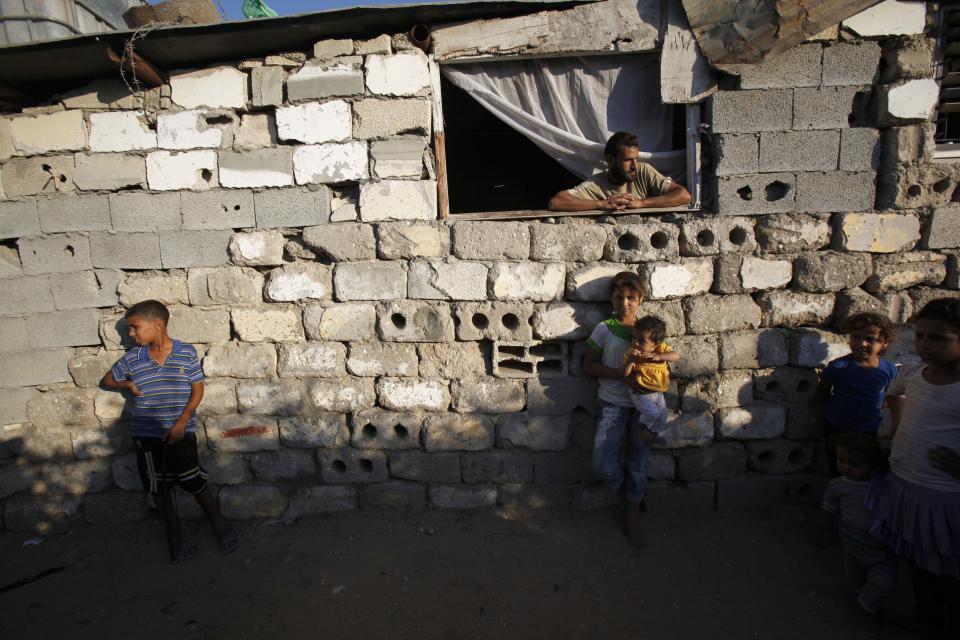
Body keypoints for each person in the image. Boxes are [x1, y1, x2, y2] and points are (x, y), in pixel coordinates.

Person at [102, 300, 239, 563]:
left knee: (194, 481)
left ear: (157, 325)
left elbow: (197, 390)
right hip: (147, 435)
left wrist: (180, 424)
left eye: (134, 328)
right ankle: (175, 535)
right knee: (160, 489)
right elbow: (107, 379)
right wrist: (127, 384)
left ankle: (219, 525)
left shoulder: (185, 353)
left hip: (181, 432)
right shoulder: (133, 358)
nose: (131, 334)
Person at [867, 298, 960, 636]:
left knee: (948, 570)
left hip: (946, 498)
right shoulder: (916, 374)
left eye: (938, 338)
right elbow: (896, 394)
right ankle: (928, 621)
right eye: (920, 336)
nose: (925, 345)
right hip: (908, 484)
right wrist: (898, 426)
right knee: (921, 564)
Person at [583, 271, 652, 550]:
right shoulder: (605, 329)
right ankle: (628, 493)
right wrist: (618, 374)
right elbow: (587, 366)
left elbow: (663, 360)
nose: (625, 303)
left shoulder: (648, 330)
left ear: (641, 299)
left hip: (643, 408)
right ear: (611, 299)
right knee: (602, 464)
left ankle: (632, 517)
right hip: (612, 405)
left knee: (638, 462)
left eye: (631, 298)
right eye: (619, 297)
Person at [816, 432, 895, 616]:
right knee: (855, 580)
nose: (846, 468)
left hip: (881, 552)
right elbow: (829, 508)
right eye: (841, 461)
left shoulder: (882, 486)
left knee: (884, 583)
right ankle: (863, 603)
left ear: (872, 466)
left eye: (854, 464)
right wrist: (826, 530)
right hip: (852, 547)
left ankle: (866, 605)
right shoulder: (838, 486)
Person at [815, 312, 898, 476]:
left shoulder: (889, 370)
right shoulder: (839, 366)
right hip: (837, 428)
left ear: (885, 343)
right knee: (837, 467)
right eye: (856, 337)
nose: (862, 343)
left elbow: (890, 396)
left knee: (863, 468)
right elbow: (822, 393)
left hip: (868, 430)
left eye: (870, 339)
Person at [547, 131, 691, 212]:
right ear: (610, 160)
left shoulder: (643, 171)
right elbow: (557, 202)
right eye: (628, 160)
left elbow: (684, 196)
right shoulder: (596, 184)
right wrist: (601, 204)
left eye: (636, 159)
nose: (634, 165)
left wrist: (642, 203)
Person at [622, 315, 679, 446]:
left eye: (641, 341)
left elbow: (676, 356)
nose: (636, 343)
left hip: (657, 392)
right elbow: (624, 373)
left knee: (663, 415)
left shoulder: (661, 349)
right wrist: (631, 361)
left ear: (656, 344)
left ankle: (653, 434)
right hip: (640, 392)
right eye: (634, 338)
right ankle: (642, 427)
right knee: (652, 414)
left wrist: (659, 356)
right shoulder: (632, 353)